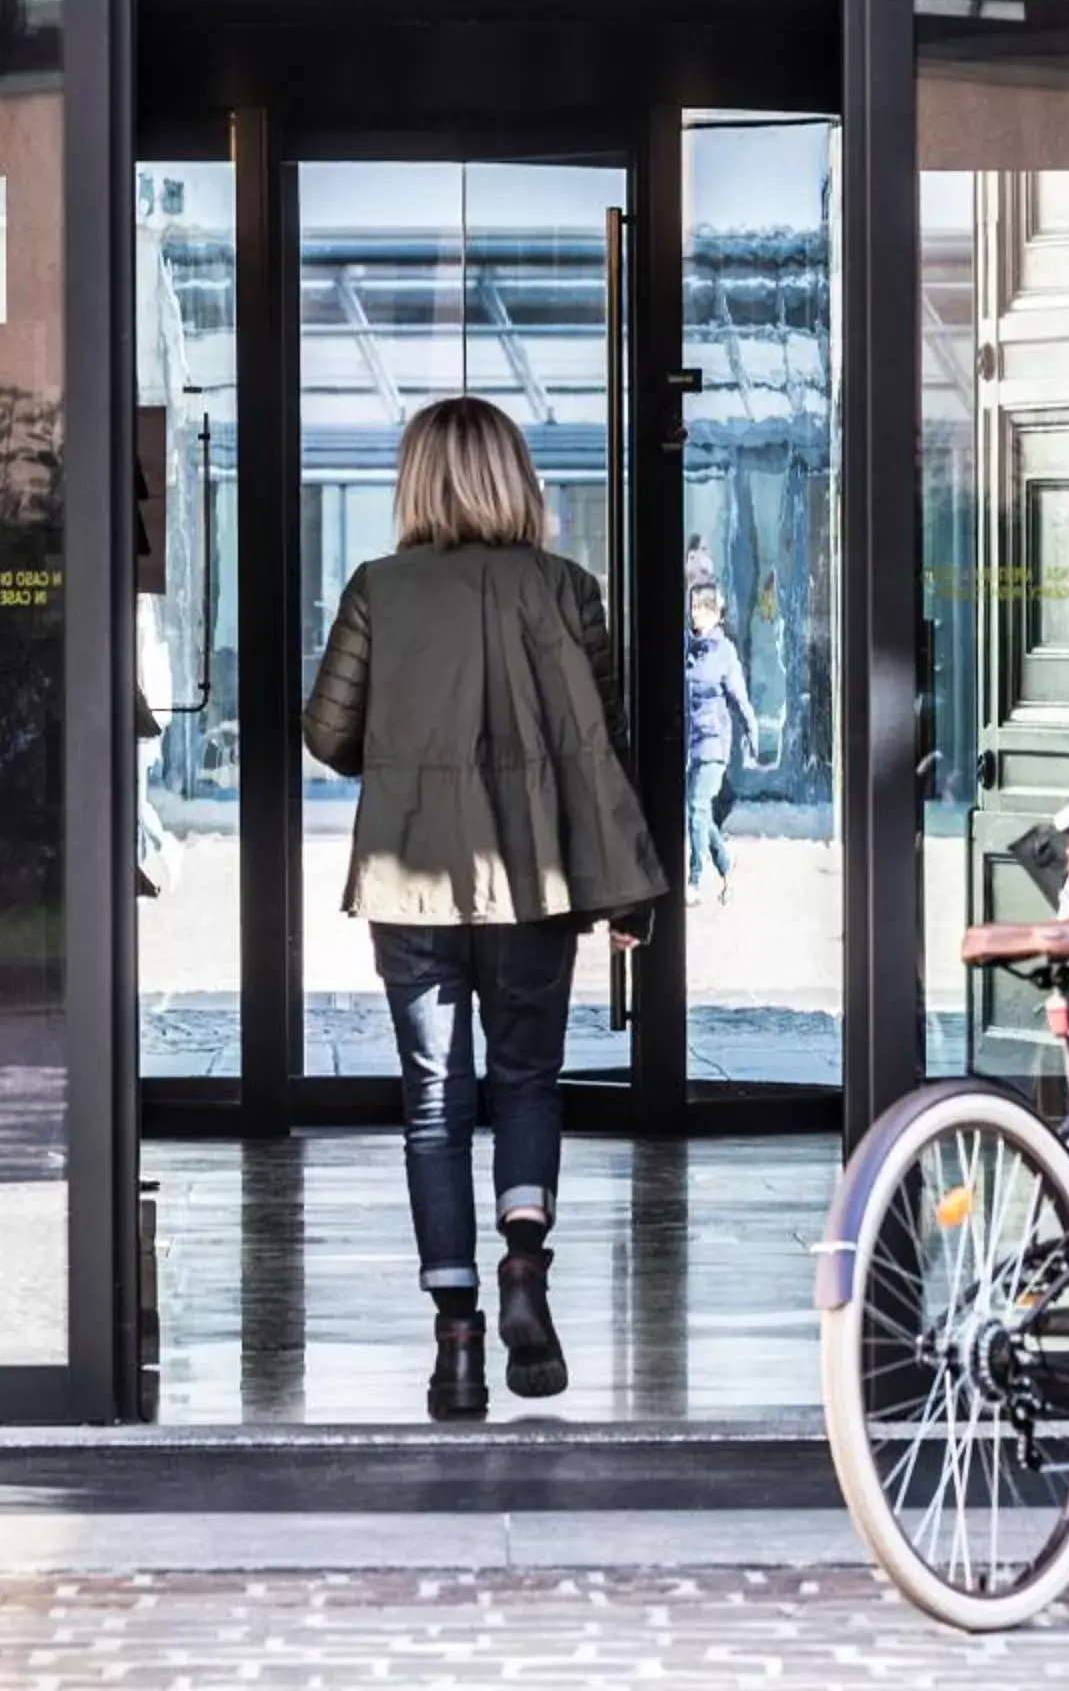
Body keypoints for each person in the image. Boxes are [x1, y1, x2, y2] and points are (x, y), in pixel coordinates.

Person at [302, 397, 668, 1422]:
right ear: (519, 479)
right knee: (526, 1082)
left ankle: (455, 1342)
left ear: (415, 481)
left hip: (409, 875)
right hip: (537, 879)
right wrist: (634, 887)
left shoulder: (380, 588)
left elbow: (328, 733)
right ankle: (521, 1265)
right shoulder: (567, 591)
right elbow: (606, 742)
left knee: (433, 1103)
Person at [684, 582, 761, 907]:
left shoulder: (724, 652)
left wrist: (753, 734)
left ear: (716, 614)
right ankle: (725, 861)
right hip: (688, 744)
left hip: (714, 743)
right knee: (698, 814)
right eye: (693, 607)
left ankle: (695, 879)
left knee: (697, 807)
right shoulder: (687, 648)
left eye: (703, 608)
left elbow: (739, 699)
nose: (695, 614)